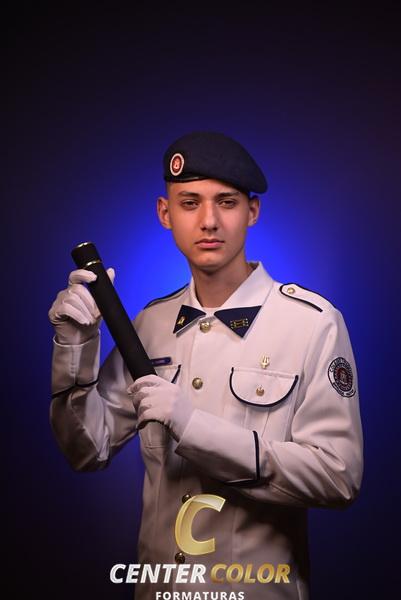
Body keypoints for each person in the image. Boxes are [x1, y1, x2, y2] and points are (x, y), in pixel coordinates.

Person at [48, 131, 363, 600]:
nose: (209, 221)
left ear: (252, 212)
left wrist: (195, 428)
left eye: (227, 202)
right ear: (165, 213)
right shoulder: (150, 323)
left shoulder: (312, 324)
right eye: (190, 203)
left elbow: (338, 477)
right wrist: (75, 343)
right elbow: (86, 449)